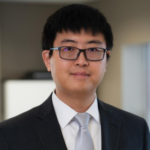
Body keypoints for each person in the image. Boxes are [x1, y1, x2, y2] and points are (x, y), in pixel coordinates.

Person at [0, 4, 149, 150]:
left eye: (93, 49)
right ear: (47, 59)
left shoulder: (136, 128)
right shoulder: (10, 134)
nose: (82, 61)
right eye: (68, 49)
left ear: (106, 60)